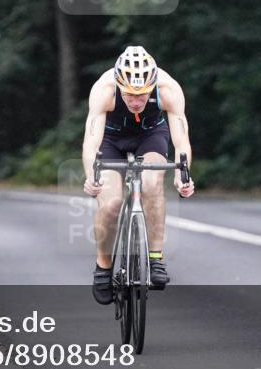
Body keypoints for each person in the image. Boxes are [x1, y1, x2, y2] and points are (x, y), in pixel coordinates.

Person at [81, 46, 195, 304]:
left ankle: (155, 259)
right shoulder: (104, 90)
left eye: (142, 95)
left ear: (152, 85)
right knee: (110, 204)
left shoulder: (168, 89)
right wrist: (91, 175)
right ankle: (103, 267)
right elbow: (91, 142)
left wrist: (182, 175)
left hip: (150, 135)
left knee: (152, 182)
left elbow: (181, 140)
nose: (135, 101)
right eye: (130, 95)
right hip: (110, 140)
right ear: (119, 84)